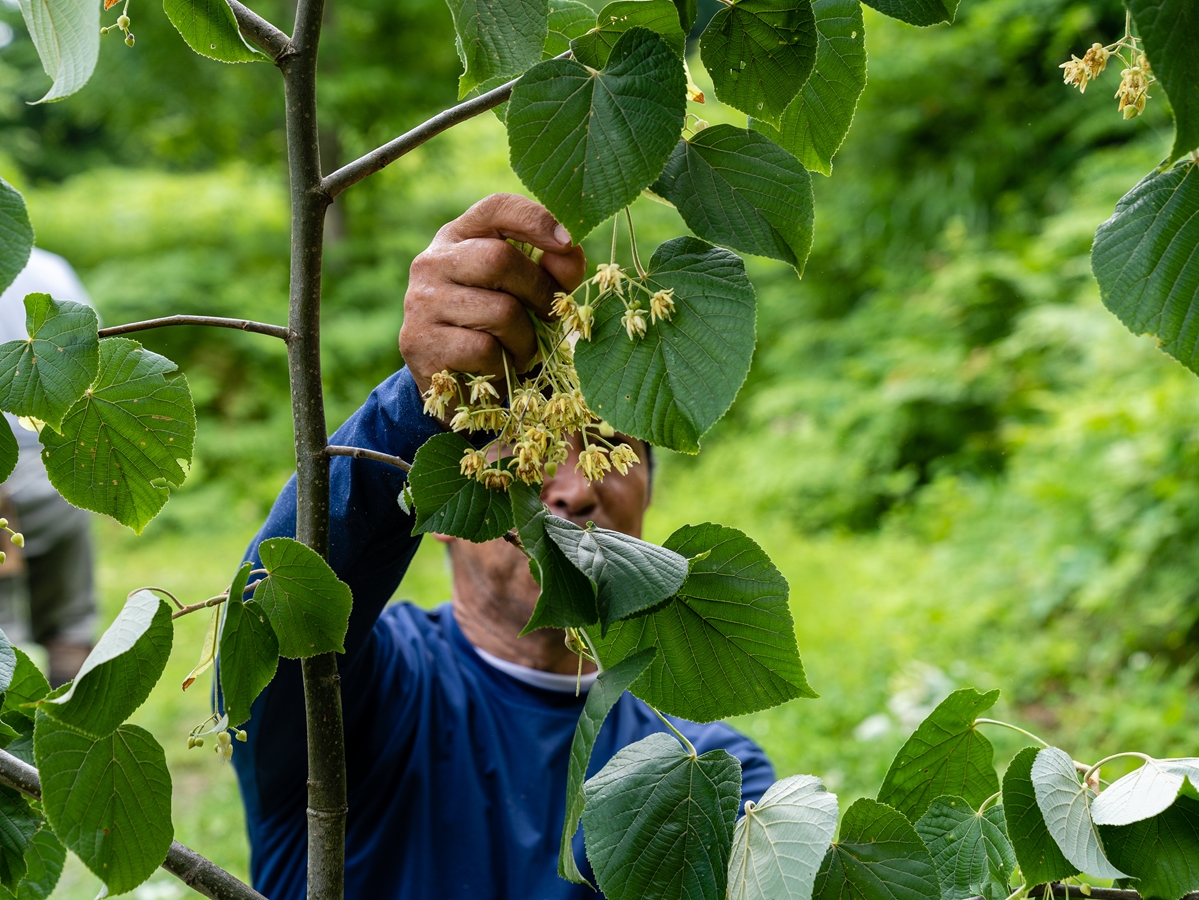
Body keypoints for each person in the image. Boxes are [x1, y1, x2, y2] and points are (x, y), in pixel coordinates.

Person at [232, 194, 774, 900]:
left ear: (646, 494)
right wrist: (416, 404)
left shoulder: (701, 765)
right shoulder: (372, 688)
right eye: (527, 445)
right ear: (444, 499)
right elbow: (271, 616)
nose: (575, 490)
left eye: (610, 446)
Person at [0, 248, 97, 687]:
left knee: (5, 640)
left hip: (41, 457)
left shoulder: (47, 268)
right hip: (57, 460)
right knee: (70, 629)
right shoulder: (48, 268)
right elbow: (90, 360)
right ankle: (74, 740)